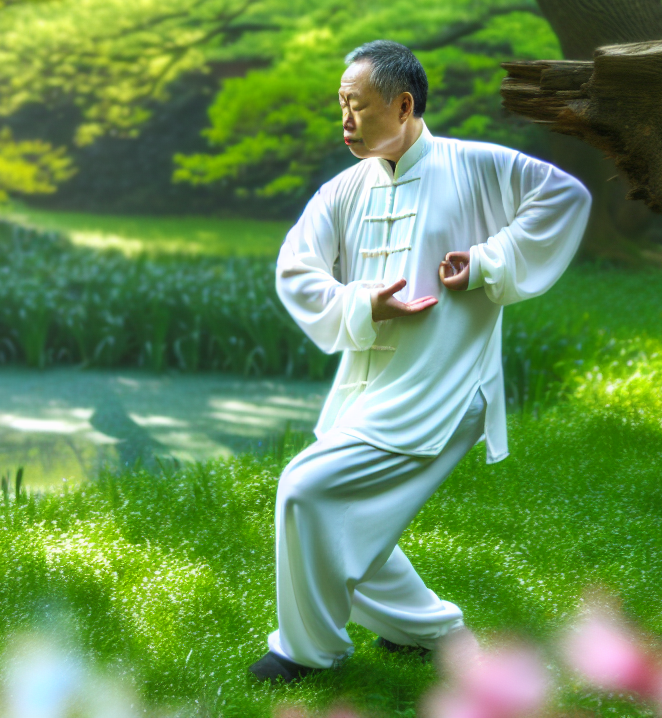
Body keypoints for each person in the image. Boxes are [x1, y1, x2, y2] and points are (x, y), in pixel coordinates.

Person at [248, 40, 591, 684]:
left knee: (304, 488)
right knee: (340, 512)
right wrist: (359, 304)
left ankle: (304, 650)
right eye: (341, 105)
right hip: (366, 387)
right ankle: (431, 632)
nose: (345, 119)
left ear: (403, 105)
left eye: (358, 105)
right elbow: (295, 269)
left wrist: (488, 260)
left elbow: (564, 197)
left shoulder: (475, 165)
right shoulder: (342, 190)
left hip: (447, 385)